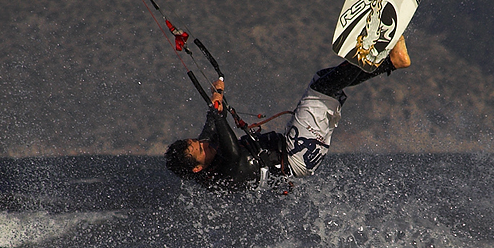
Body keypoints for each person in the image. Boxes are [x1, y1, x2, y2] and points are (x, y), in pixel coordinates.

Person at [165, 36, 412, 192]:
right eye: (199, 148)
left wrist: (216, 96)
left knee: (324, 80)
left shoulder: (204, 158)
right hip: (297, 155)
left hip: (294, 150)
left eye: (195, 141)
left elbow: (212, 124)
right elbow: (229, 142)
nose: (203, 143)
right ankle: (393, 61)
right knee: (321, 89)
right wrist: (218, 110)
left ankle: (388, 61)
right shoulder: (225, 174)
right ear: (197, 169)